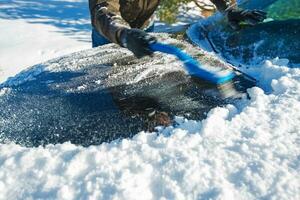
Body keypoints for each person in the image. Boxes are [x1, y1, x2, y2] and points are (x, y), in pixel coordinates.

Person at [88, 0, 267, 58]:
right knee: (106, 86)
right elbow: (103, 10)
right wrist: (123, 34)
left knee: (140, 74)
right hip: (110, 32)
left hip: (145, 27)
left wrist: (228, 8)